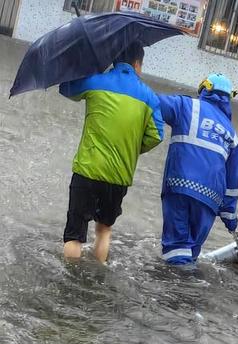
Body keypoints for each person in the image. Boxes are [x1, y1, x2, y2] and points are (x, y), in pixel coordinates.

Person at [59, 41, 164, 263]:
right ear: (138, 64)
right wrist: (131, 149)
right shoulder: (149, 97)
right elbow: (156, 136)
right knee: (104, 229)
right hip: (119, 176)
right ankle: (98, 273)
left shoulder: (96, 81)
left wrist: (88, 67)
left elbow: (66, 88)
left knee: (74, 235)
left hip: (88, 169)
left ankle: (69, 281)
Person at [158, 73, 238, 265]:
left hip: (180, 187)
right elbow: (233, 182)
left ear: (204, 90)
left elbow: (151, 102)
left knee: (176, 247)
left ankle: (175, 290)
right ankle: (189, 288)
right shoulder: (231, 132)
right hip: (211, 199)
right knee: (192, 250)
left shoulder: (186, 106)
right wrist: (230, 220)